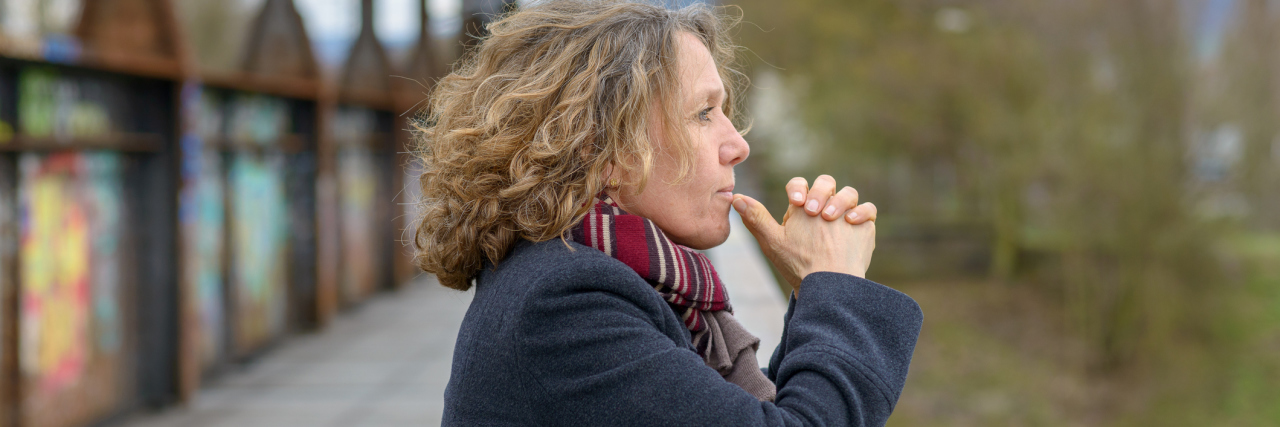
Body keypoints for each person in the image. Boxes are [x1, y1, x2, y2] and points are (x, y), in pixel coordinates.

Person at [411, 0, 922, 425]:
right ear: (602, 150)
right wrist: (835, 286)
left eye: (724, 111)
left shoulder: (581, 275)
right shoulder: (565, 307)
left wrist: (818, 294)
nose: (736, 144)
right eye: (703, 113)